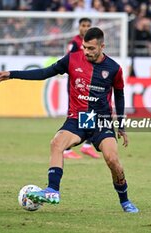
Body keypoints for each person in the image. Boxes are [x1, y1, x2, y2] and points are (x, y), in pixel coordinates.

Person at [0, 27, 139, 213]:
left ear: (102, 46)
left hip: (101, 121)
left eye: (91, 49)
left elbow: (119, 95)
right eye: (85, 47)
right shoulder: (72, 59)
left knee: (112, 159)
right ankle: (53, 190)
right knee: (57, 143)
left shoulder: (114, 68)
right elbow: (45, 73)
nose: (86, 52)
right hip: (77, 118)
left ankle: (125, 201)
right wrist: (12, 74)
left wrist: (122, 125)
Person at [63, 17, 101, 159]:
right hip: (76, 85)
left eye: (88, 26)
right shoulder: (74, 43)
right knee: (76, 115)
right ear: (79, 27)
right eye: (83, 25)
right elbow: (68, 62)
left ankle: (86, 146)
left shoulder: (93, 43)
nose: (85, 28)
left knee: (92, 113)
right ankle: (67, 149)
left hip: (89, 83)